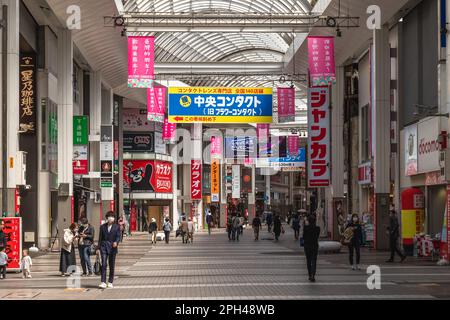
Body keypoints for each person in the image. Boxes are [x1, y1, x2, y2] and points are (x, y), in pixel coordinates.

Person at [97, 211, 121, 289]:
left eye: (112, 216)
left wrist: (116, 242)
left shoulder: (117, 227)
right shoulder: (102, 227)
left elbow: (118, 236)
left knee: (111, 265)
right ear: (107, 218)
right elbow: (100, 238)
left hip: (112, 247)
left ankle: (110, 282)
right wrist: (98, 248)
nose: (111, 218)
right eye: (109, 216)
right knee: (103, 264)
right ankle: (103, 282)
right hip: (104, 246)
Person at [303, 215, 320, 282]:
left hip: (307, 246)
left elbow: (304, 237)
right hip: (315, 246)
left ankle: (310, 275)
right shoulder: (318, 228)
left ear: (308, 221)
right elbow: (317, 237)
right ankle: (313, 274)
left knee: (308, 261)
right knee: (314, 261)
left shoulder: (306, 228)